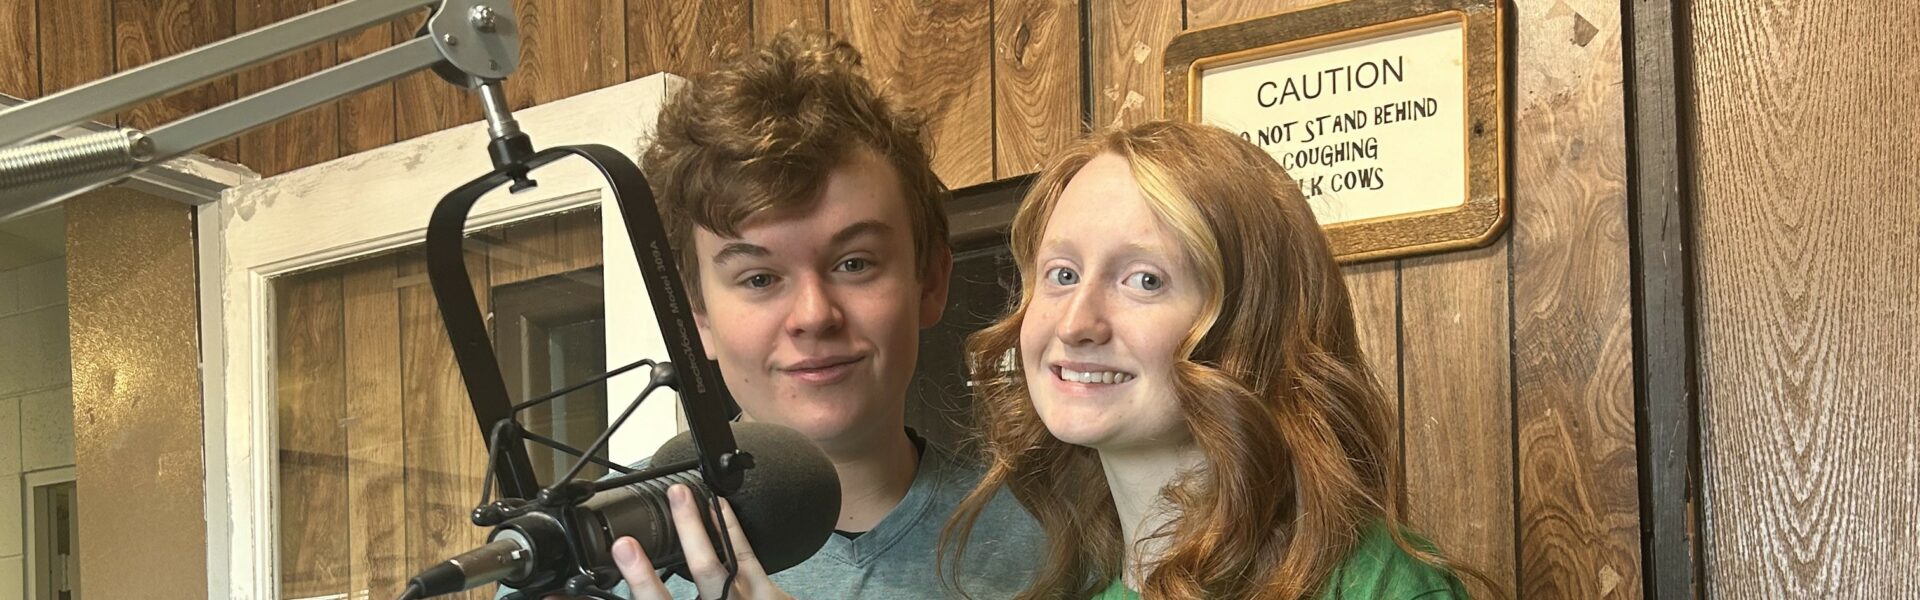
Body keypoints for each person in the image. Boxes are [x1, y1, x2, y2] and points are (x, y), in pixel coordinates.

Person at [505, 28, 1043, 600]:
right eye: (759, 279)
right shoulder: (576, 561)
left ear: (929, 282)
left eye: (855, 264)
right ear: (697, 317)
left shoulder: (1053, 545)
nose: (813, 315)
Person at [942, 120, 1481, 599]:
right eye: (1062, 274)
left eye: (1145, 280)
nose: (1074, 323)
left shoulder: (1380, 587)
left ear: (1253, 322)